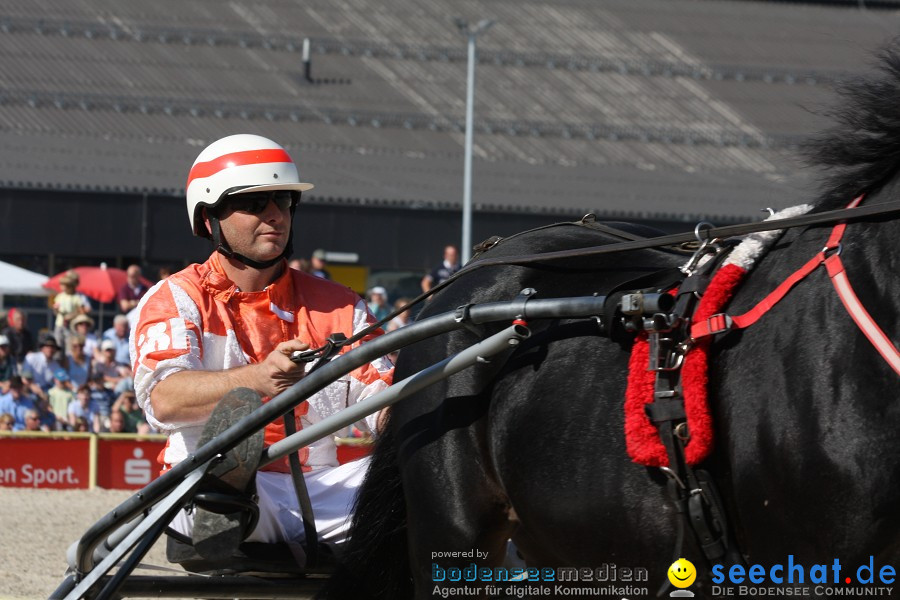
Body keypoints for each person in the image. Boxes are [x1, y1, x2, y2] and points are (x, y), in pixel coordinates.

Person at [131, 134, 393, 557]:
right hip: (201, 483)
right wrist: (257, 379)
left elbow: (384, 400)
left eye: (284, 200)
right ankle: (227, 494)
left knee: (426, 476)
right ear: (207, 218)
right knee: (221, 462)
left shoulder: (341, 305)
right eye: (255, 203)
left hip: (321, 493)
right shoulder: (176, 298)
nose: (275, 215)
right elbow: (164, 400)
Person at [52, 270, 92, 348]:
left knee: (70, 346)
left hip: (71, 326)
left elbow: (83, 310)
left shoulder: (78, 297)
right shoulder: (60, 296)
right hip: (60, 324)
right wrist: (56, 309)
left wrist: (71, 316)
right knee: (58, 345)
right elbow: (56, 311)